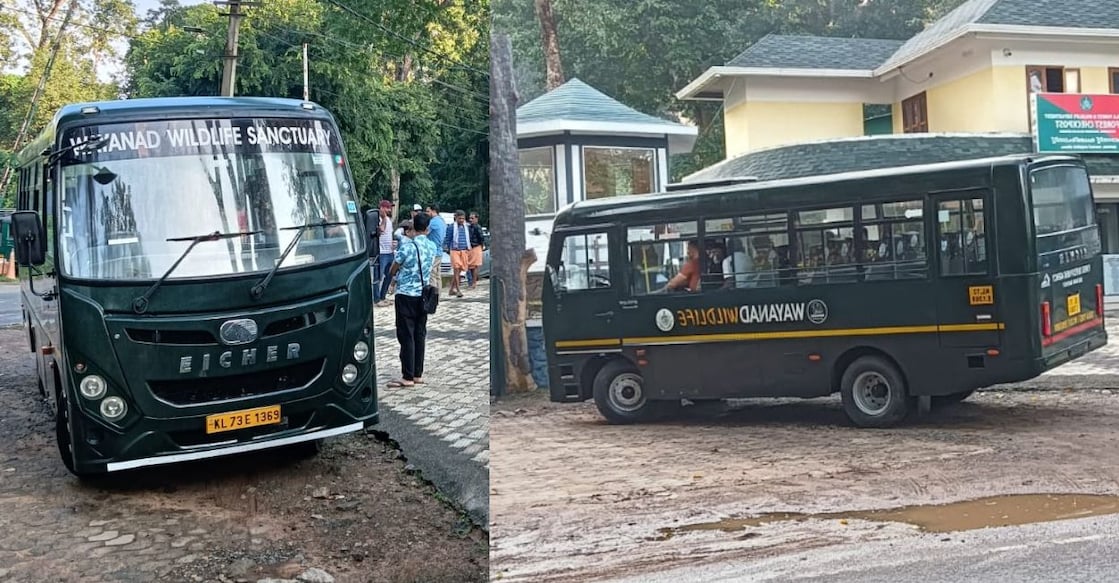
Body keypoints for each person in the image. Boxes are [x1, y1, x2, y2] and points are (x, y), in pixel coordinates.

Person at [386, 212, 438, 388]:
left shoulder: (407, 247)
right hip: (423, 296)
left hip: (406, 295)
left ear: (413, 228)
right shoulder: (432, 247)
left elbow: (393, 269)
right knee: (420, 334)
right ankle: (417, 373)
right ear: (428, 229)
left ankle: (407, 376)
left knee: (406, 335)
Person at [373, 200, 395, 307]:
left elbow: (389, 234)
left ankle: (383, 296)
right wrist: (384, 218)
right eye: (387, 208)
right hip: (381, 253)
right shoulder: (378, 219)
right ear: (382, 208)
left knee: (389, 275)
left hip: (389, 252)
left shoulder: (389, 220)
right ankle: (377, 299)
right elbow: (381, 230)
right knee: (378, 276)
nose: (389, 210)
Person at [446, 210, 472, 297]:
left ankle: (451, 290)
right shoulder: (451, 227)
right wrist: (448, 249)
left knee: (459, 271)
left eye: (463, 218)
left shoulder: (466, 227)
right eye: (459, 218)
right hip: (455, 250)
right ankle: (458, 290)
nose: (461, 220)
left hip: (464, 250)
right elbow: (448, 239)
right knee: (456, 269)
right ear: (456, 218)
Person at [425, 203, 447, 289]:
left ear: (433, 211)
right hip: (439, 251)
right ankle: (438, 295)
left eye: (428, 211)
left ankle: (433, 296)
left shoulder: (433, 222)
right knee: (437, 275)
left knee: (432, 275)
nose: (426, 213)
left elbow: (425, 232)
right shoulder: (442, 221)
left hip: (433, 251)